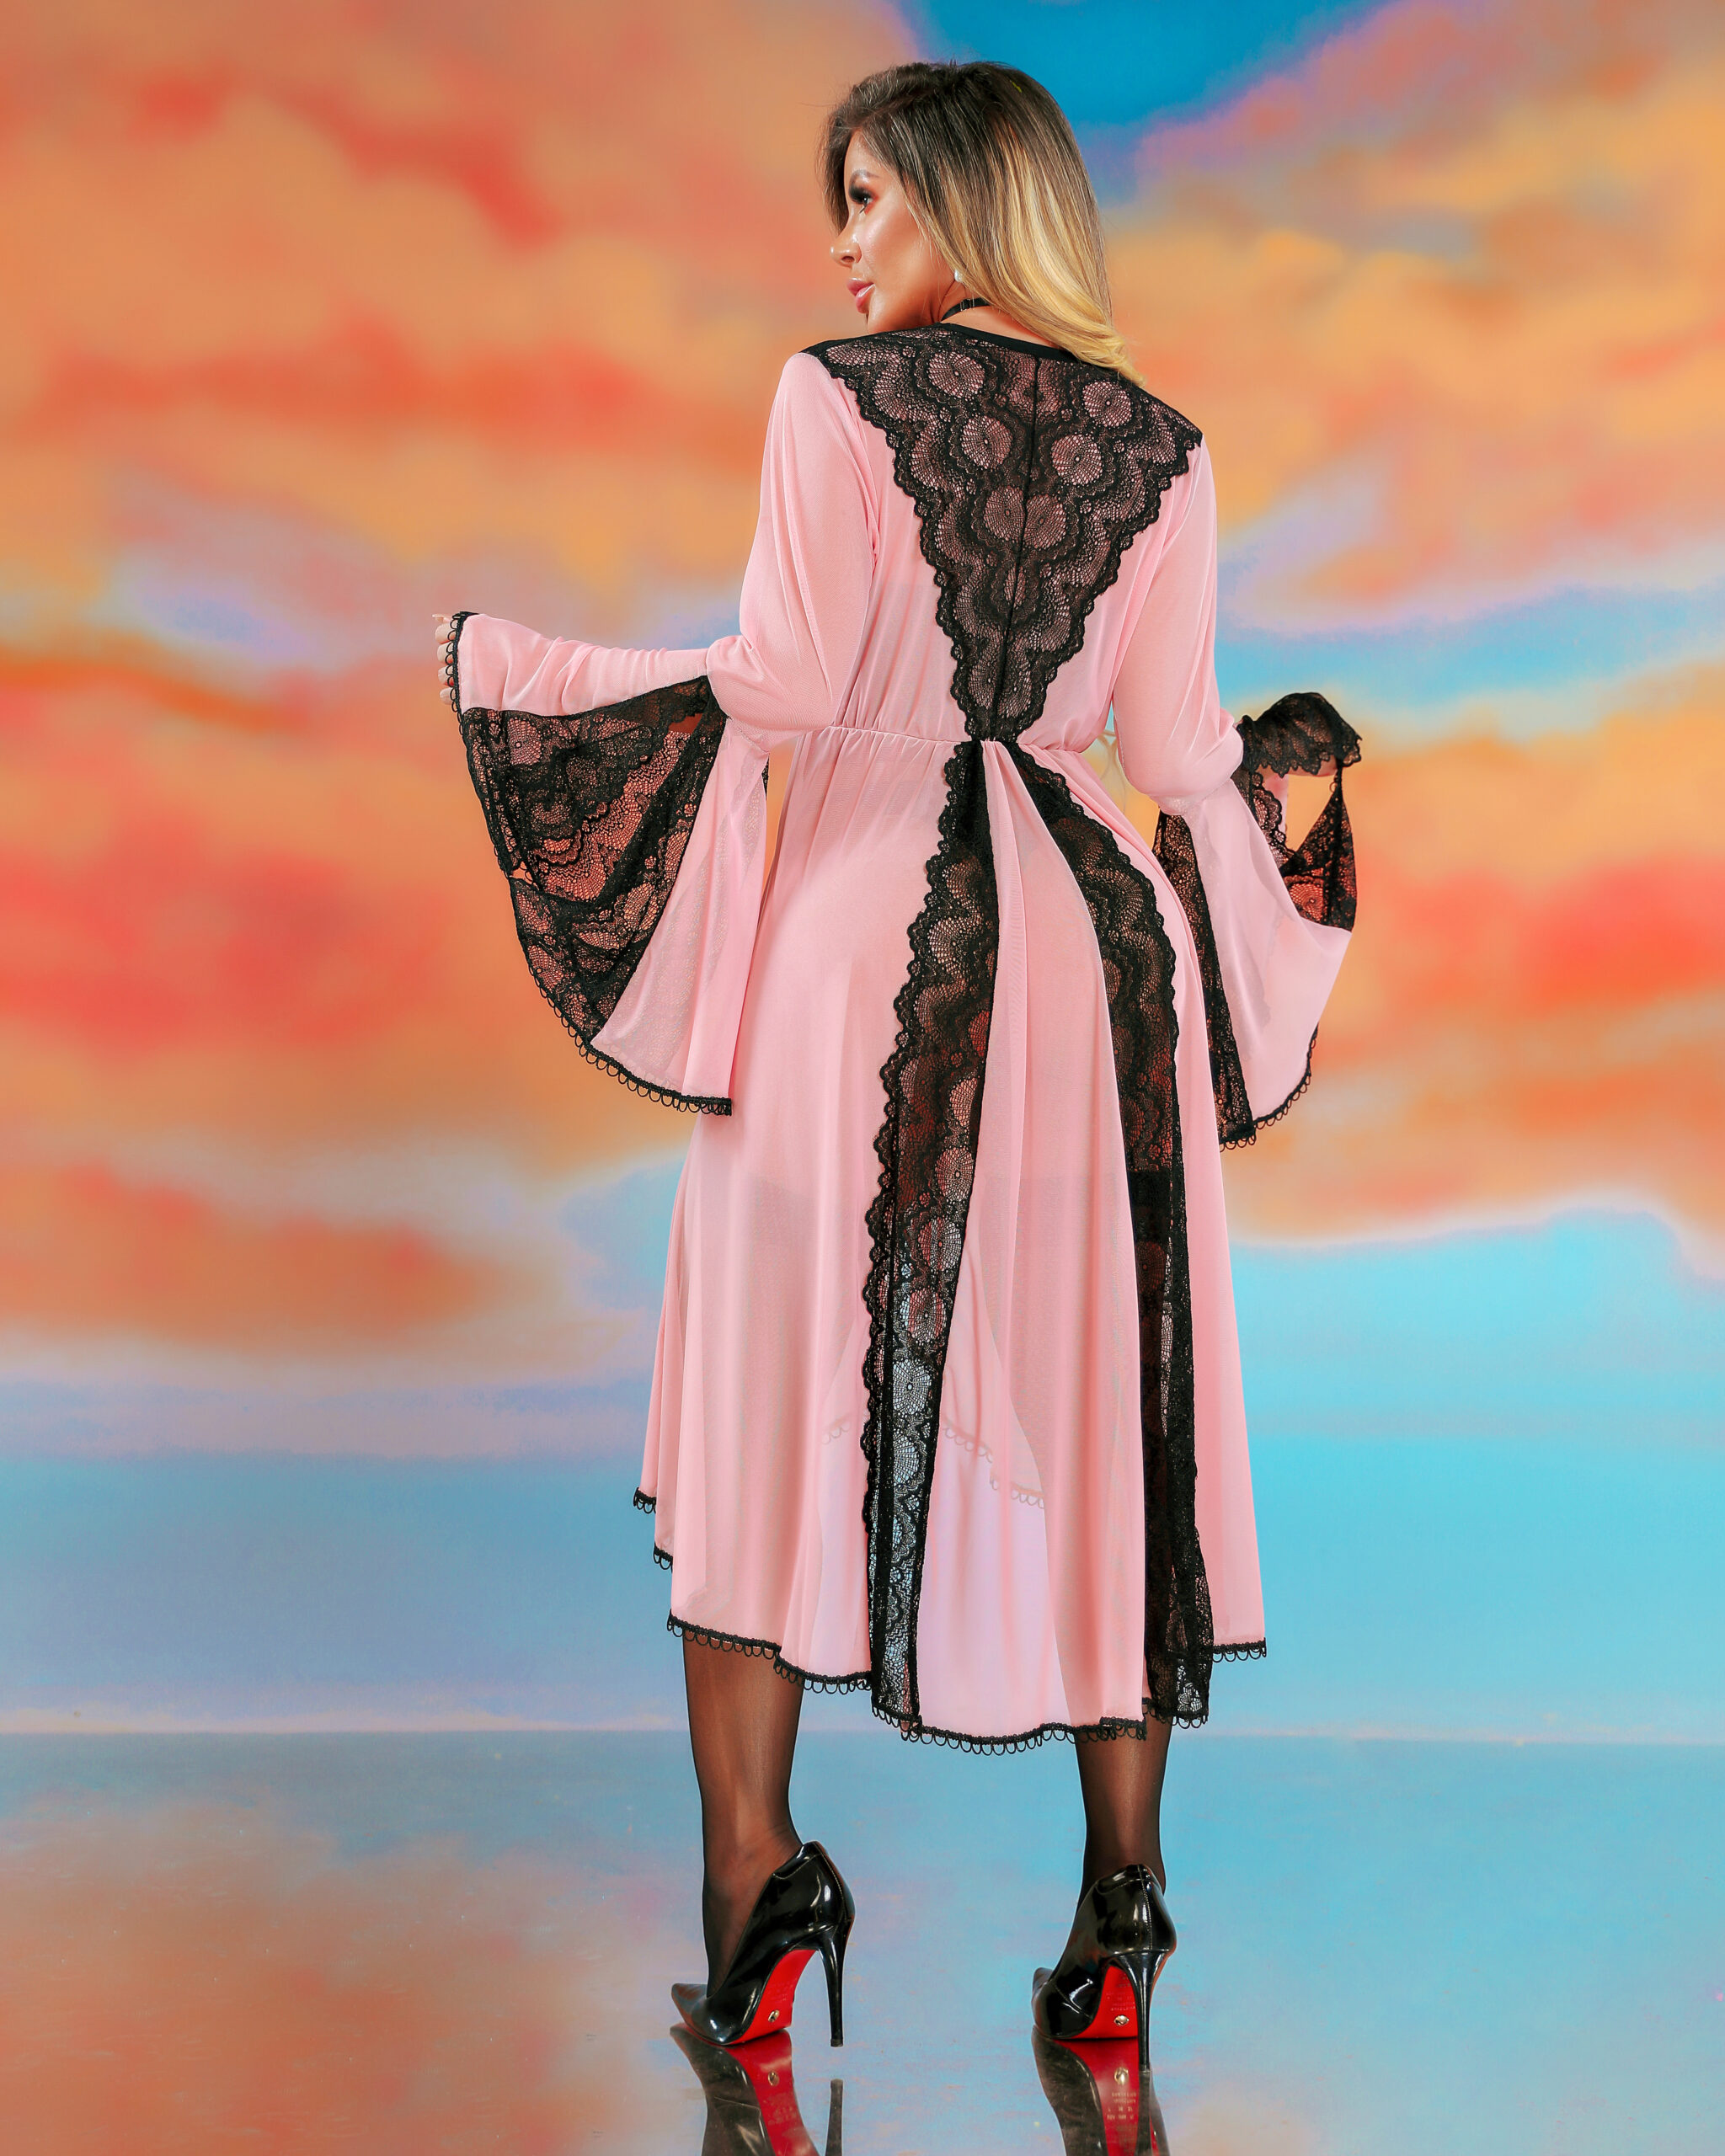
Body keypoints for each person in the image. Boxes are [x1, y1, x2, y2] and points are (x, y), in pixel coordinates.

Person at [437, 60, 1357, 2071]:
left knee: (770, 1387)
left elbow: (778, 683)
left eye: (867, 197)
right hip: (1100, 951)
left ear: (961, 195)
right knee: (1108, 1395)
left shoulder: (831, 400)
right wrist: (1286, 803)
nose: (842, 243)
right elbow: (1175, 755)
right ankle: (1119, 1908)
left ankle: (758, 1884)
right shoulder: (1167, 448)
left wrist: (552, 682)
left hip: (865, 932)